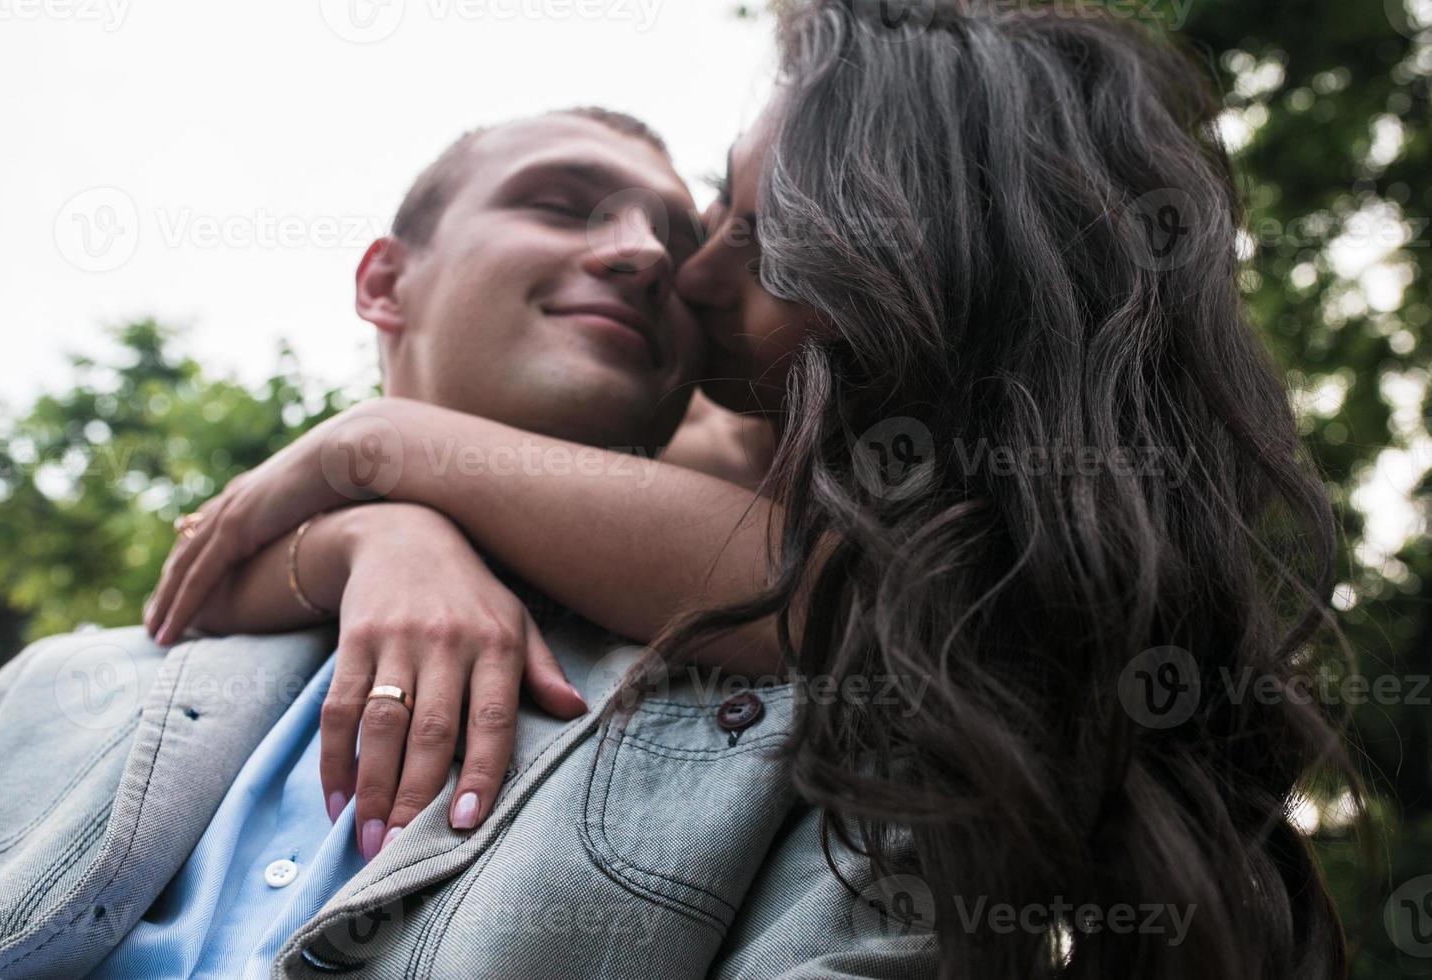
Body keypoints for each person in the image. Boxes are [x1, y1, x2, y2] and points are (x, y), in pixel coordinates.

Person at [147, 2, 1356, 978]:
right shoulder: (103, 692)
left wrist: (388, 448)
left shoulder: (876, 580)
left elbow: (842, 584)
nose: (687, 269)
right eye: (720, 210)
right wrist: (379, 531)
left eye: (762, 238)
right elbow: (194, 592)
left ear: (916, 283)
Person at [0, 105, 930, 979]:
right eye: (563, 204)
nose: (644, 254)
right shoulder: (47, 688)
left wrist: (378, 453)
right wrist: (373, 527)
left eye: (674, 248)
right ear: (386, 280)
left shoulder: (815, 731)